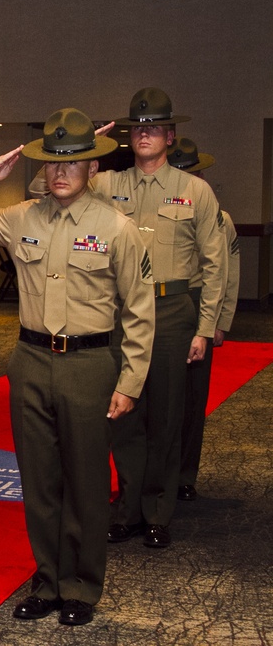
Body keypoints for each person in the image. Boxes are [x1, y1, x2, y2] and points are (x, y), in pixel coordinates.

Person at [0, 108, 154, 626]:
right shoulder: (23, 216)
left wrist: (130, 382)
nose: (59, 172)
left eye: (72, 162)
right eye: (50, 163)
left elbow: (138, 311)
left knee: (85, 482)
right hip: (30, 360)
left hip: (91, 365)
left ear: (90, 167)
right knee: (39, 482)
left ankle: (81, 587)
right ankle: (47, 580)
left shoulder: (118, 228)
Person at [70, 88, 225, 550]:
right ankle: (129, 508)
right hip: (118, 313)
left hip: (174, 311)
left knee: (166, 413)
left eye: (154, 127)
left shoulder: (195, 190)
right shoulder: (106, 184)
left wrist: (204, 327)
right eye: (137, 128)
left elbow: (216, 264)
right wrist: (85, 148)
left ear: (171, 137)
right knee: (124, 415)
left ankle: (159, 509)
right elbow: (46, 191)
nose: (144, 135)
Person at [165, 138, 240, 502]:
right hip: (166, 305)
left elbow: (227, 271)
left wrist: (219, 320)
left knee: (193, 398)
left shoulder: (219, 218)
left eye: (190, 171)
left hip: (199, 302)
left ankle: (183, 473)